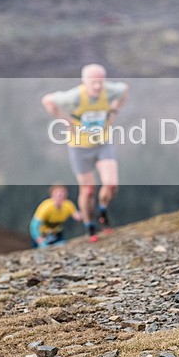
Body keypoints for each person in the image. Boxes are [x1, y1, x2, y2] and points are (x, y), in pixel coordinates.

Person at [41, 64, 128, 242]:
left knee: (111, 185)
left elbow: (124, 90)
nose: (97, 86)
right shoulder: (74, 97)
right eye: (93, 82)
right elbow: (47, 100)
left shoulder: (109, 91)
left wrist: (114, 112)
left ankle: (102, 208)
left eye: (100, 82)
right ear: (84, 81)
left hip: (102, 143)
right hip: (79, 148)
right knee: (88, 190)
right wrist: (66, 121)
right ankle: (89, 225)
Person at [29, 184, 81, 248]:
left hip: (57, 234)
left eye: (63, 192)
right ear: (52, 195)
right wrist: (39, 240)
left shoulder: (68, 205)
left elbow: (78, 217)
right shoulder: (46, 207)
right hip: (43, 235)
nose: (60, 195)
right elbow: (34, 226)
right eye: (57, 193)